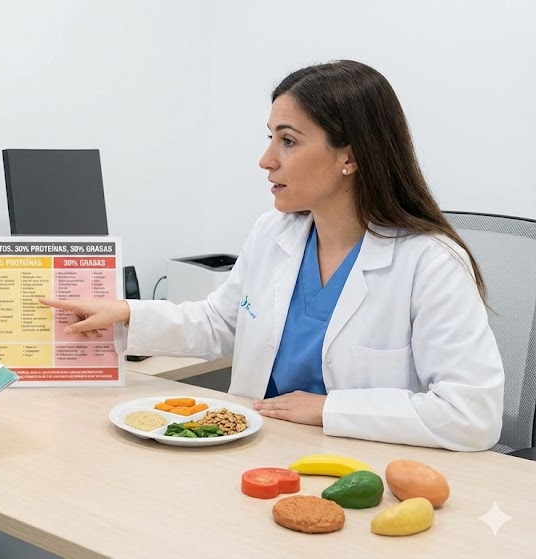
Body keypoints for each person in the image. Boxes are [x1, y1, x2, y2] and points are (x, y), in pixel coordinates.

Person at [41, 60, 504, 452]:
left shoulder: (431, 262)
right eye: (271, 138)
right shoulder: (274, 233)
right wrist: (124, 314)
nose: (266, 160)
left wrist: (329, 409)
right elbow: (219, 324)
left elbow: (472, 415)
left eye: (288, 140)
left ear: (350, 157)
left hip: (360, 463)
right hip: (255, 448)